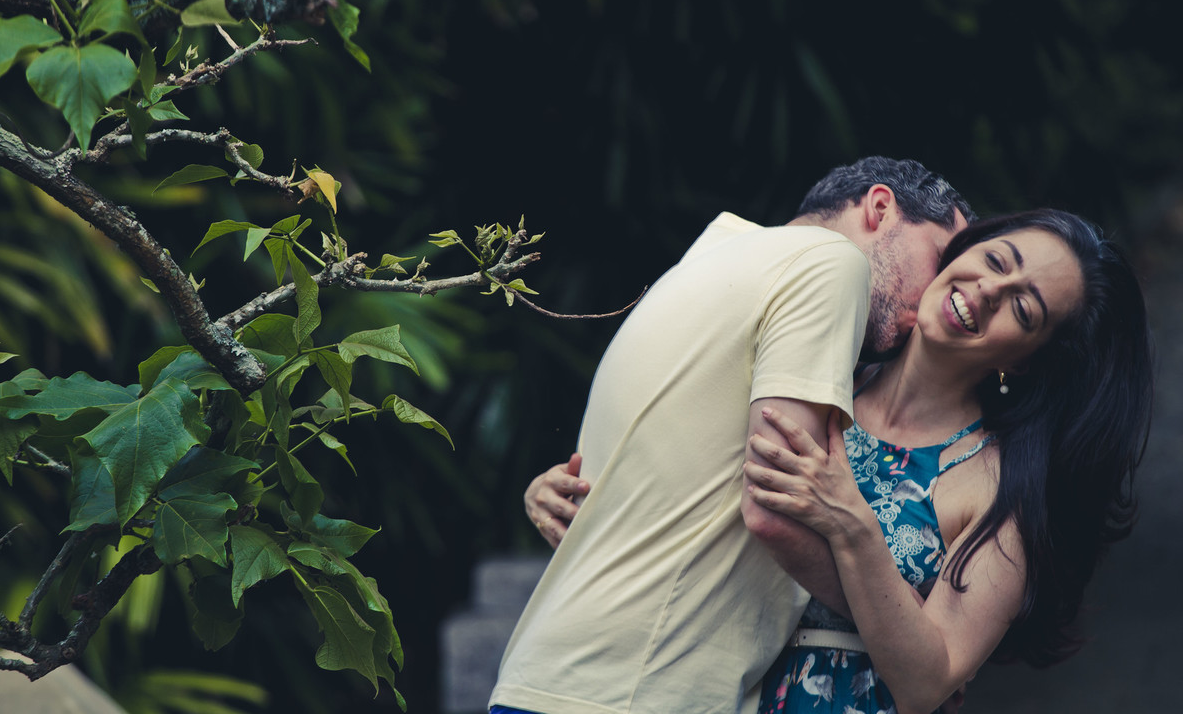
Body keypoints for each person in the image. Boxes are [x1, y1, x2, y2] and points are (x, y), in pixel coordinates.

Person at [529, 209, 1154, 714]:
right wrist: (567, 491)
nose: (988, 291)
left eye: (1024, 308)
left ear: (1024, 360)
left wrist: (852, 523)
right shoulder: (816, 378)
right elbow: (683, 470)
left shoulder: (1003, 489)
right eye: (995, 261)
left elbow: (926, 683)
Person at [490, 157, 973, 714]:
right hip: (635, 695)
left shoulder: (707, 263)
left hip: (553, 675)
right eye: (940, 260)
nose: (936, 297)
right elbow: (773, 507)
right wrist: (909, 632)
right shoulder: (833, 263)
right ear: (880, 208)